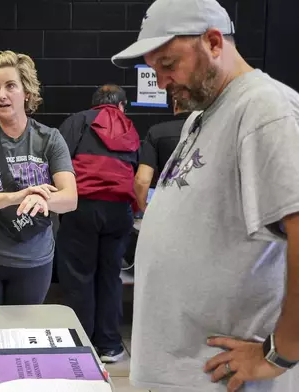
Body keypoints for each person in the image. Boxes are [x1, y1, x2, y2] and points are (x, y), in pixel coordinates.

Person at [111, 0, 299, 391]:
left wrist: (281, 352)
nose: (161, 82)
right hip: (179, 373)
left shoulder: (265, 108)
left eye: (168, 64)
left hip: (222, 377)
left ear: (214, 42)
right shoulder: (202, 116)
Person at [0, 50, 77, 306]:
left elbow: (70, 199)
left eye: (10, 86)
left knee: (22, 337)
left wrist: (44, 201)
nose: (1, 95)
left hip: (33, 261)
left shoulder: (49, 139)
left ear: (27, 92)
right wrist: (15, 196)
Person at [55, 84, 139, 363]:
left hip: (83, 207)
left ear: (94, 104)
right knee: (110, 277)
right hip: (119, 213)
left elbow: (58, 161)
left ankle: (82, 344)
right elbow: (136, 172)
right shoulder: (129, 126)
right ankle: (111, 346)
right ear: (122, 105)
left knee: (80, 277)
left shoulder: (78, 120)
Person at [133, 99, 191, 211]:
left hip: (166, 207)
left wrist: (143, 207)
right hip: (201, 208)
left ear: (175, 106)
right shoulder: (212, 131)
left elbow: (142, 180)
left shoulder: (156, 132)